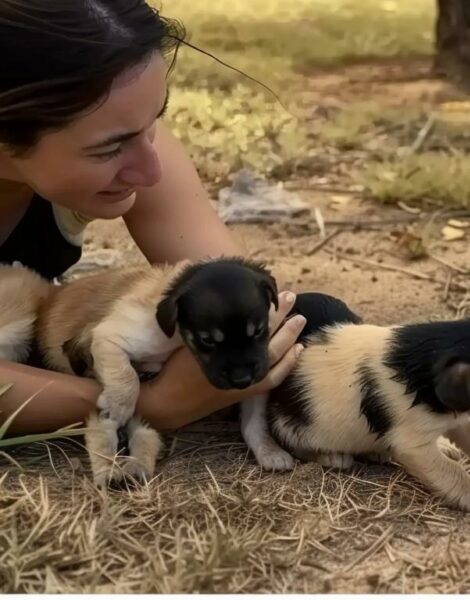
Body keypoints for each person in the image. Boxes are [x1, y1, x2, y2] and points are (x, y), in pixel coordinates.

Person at [0, 0, 306, 435]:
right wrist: (143, 404)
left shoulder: (118, 130)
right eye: (109, 149)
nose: (151, 171)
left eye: (154, 122)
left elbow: (235, 297)